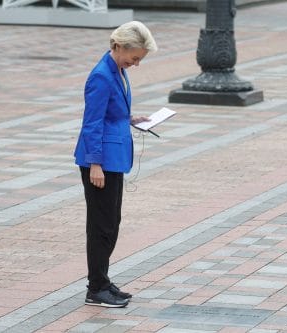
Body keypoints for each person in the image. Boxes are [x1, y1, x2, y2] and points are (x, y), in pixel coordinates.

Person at [74, 21, 158, 308]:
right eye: (134, 57)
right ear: (119, 46)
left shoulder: (117, 71)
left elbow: (110, 113)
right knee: (101, 225)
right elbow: (92, 123)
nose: (136, 64)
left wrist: (130, 118)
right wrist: (94, 164)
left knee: (111, 222)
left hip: (113, 159)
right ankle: (96, 288)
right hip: (100, 163)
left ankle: (102, 280)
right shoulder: (101, 76)